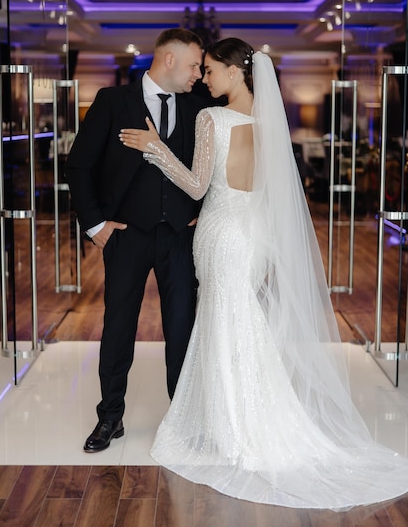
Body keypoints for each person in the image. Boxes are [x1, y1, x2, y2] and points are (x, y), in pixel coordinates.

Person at [119, 37, 408, 510]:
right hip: (252, 238)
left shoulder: (211, 118)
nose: (206, 79)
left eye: (211, 70)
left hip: (220, 233)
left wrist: (154, 148)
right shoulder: (271, 124)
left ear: (236, 73)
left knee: (222, 323)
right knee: (239, 323)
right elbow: (272, 198)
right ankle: (241, 419)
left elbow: (195, 184)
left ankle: (234, 430)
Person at [65, 28, 207, 453]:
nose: (198, 74)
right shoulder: (112, 101)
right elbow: (78, 167)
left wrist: (205, 212)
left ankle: (181, 421)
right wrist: (96, 226)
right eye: (194, 64)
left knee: (182, 329)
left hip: (180, 238)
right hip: (124, 237)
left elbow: (210, 169)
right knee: (118, 327)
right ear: (169, 60)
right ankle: (110, 417)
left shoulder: (200, 108)